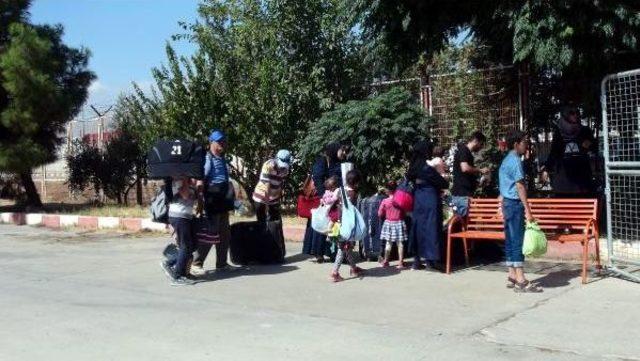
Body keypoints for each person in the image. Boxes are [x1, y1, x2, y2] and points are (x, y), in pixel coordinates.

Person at [499, 130, 542, 293]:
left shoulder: (506, 160)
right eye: (524, 142)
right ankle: (521, 280)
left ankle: (512, 275)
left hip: (507, 204)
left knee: (510, 240)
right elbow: (520, 186)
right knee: (517, 240)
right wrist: (528, 211)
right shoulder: (516, 161)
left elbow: (504, 186)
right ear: (516, 144)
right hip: (515, 204)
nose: (527, 145)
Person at [192, 130, 233, 275]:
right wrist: (199, 200)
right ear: (212, 143)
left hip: (223, 200)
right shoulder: (207, 158)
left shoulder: (221, 158)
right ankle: (196, 264)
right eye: (220, 141)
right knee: (210, 234)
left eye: (224, 141)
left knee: (224, 234)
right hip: (212, 200)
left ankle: (221, 264)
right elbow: (200, 181)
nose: (223, 144)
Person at [302, 142, 348, 263]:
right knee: (321, 223)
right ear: (334, 150)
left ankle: (332, 253)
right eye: (341, 150)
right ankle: (318, 252)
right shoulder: (322, 160)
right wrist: (324, 196)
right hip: (324, 198)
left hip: (335, 197)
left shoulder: (339, 162)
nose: (344, 153)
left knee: (334, 223)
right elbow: (317, 178)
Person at [407, 140, 449, 271]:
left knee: (418, 228)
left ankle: (417, 260)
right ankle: (431, 261)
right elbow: (443, 183)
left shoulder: (413, 167)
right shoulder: (426, 168)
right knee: (431, 228)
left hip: (418, 200)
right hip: (430, 199)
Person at [543, 106, 596, 197]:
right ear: (566, 115)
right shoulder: (559, 132)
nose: (575, 115)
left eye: (577, 113)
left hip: (581, 178)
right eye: (572, 113)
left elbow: (594, 147)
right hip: (563, 179)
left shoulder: (585, 130)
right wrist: (546, 168)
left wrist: (589, 145)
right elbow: (554, 152)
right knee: (564, 206)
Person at [160, 177, 198, 286]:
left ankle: (178, 267)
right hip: (179, 216)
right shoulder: (179, 180)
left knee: (193, 245)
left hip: (187, 216)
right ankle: (177, 276)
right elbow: (185, 195)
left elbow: (193, 198)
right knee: (185, 246)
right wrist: (187, 181)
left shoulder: (189, 180)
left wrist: (195, 185)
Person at [329, 169, 364, 282]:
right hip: (349, 225)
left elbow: (331, 201)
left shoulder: (340, 190)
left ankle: (353, 268)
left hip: (339, 223)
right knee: (342, 249)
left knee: (347, 248)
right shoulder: (354, 193)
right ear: (356, 183)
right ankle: (335, 272)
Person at [451, 131, 490, 217]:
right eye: (481, 144)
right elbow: (464, 168)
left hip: (463, 194)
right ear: (476, 141)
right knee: (463, 224)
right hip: (462, 195)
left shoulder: (467, 153)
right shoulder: (464, 151)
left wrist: (478, 183)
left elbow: (464, 175)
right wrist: (480, 170)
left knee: (462, 223)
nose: (481, 147)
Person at [252, 149, 293, 222]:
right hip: (261, 198)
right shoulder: (268, 165)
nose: (283, 167)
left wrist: (277, 200)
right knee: (263, 224)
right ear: (276, 158)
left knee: (277, 223)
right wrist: (267, 205)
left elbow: (280, 183)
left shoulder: (286, 168)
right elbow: (266, 186)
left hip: (274, 199)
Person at [378, 180, 408, 269]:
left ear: (387, 190)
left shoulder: (385, 201)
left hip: (389, 223)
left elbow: (380, 214)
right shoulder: (400, 200)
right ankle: (401, 262)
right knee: (400, 244)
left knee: (388, 243)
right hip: (399, 222)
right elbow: (405, 212)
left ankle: (386, 261)